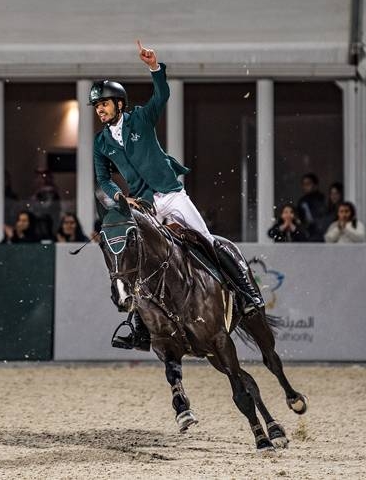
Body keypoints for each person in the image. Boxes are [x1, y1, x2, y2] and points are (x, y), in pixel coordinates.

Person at [91, 40, 264, 350]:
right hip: (144, 206)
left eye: (104, 103)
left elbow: (163, 95)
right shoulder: (100, 143)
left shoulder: (141, 118)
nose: (100, 109)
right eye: (97, 106)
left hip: (171, 195)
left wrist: (154, 67)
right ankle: (141, 329)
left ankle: (248, 295)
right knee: (140, 262)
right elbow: (103, 178)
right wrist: (120, 198)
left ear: (119, 104)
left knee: (207, 242)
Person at [296, 173, 327, 242]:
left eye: (308, 184)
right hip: (308, 232)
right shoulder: (302, 201)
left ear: (315, 185)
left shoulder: (322, 199)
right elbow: (300, 218)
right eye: (303, 184)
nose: (305, 187)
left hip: (322, 231)